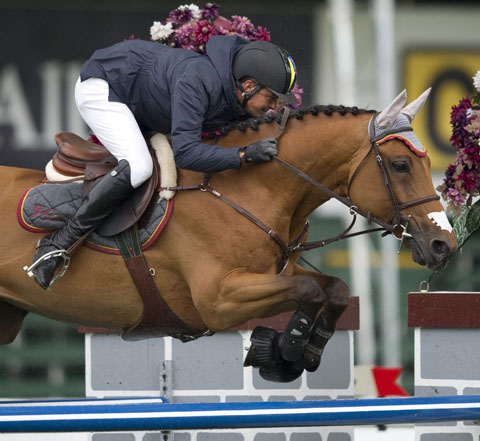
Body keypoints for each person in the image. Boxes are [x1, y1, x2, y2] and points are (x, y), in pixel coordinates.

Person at [27, 35, 298, 289]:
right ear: (249, 85)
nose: (273, 105)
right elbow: (186, 152)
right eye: (272, 97)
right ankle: (55, 245)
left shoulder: (233, 93)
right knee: (139, 166)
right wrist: (241, 156)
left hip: (138, 99)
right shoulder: (198, 80)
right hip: (104, 85)